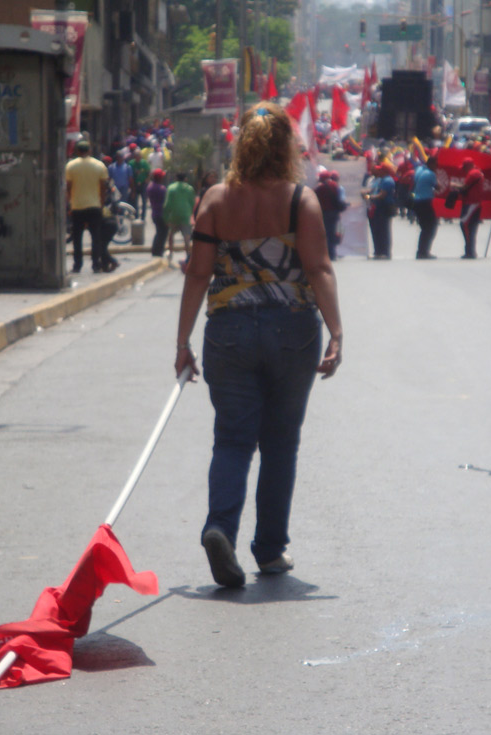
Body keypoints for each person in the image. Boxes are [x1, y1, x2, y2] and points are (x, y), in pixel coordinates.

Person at [173, 100, 343, 588]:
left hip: (228, 331)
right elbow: (319, 269)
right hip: (293, 329)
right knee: (281, 443)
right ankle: (270, 550)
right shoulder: (300, 200)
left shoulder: (215, 200)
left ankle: (219, 527)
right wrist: (337, 331)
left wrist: (183, 340)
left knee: (231, 438)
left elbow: (199, 274)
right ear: (285, 146)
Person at [65, 139, 115, 273]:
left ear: (77, 151)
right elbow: (103, 188)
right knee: (96, 238)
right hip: (94, 206)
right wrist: (101, 204)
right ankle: (95, 264)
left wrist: (70, 204)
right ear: (89, 151)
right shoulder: (99, 165)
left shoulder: (70, 166)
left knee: (77, 239)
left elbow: (68, 188)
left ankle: (77, 265)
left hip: (77, 207)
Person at [163, 171, 196, 265]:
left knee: (171, 235)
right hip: (185, 215)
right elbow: (192, 202)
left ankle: (170, 253)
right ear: (185, 179)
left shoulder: (171, 188)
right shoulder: (190, 188)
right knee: (186, 238)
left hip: (174, 215)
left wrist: (166, 217)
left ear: (176, 178)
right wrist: (189, 212)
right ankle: (188, 256)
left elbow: (167, 204)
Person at [363, 163, 395, 259]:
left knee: (383, 230)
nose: (378, 171)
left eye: (380, 170)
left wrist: (369, 197)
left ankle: (384, 252)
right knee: (377, 230)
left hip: (384, 206)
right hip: (378, 207)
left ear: (384, 171)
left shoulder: (387, 181)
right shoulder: (381, 180)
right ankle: (378, 251)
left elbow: (382, 195)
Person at [314, 170, 347, 261]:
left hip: (324, 213)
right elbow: (340, 198)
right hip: (334, 213)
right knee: (332, 233)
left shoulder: (319, 188)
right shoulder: (335, 186)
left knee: (325, 234)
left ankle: (327, 253)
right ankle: (332, 253)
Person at [412, 155, 439, 259]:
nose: (437, 167)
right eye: (436, 165)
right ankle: (424, 252)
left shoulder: (419, 169)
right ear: (432, 164)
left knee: (424, 228)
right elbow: (438, 187)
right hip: (425, 202)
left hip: (417, 201)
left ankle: (421, 251)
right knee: (430, 228)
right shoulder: (431, 174)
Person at [457, 157, 484, 259]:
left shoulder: (473, 174)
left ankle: (470, 251)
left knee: (466, 225)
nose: (463, 170)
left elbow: (464, 187)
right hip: (472, 203)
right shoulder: (476, 172)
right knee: (469, 227)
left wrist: (454, 185)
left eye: (464, 167)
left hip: (472, 203)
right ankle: (469, 251)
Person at [146, 168, 168, 257]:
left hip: (154, 213)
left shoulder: (150, 187)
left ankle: (155, 250)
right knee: (163, 233)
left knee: (159, 232)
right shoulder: (162, 189)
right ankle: (159, 251)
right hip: (162, 213)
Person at [129, 148, 150, 219]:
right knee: (135, 201)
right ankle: (136, 215)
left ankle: (143, 216)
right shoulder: (131, 163)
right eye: (136, 156)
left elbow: (148, 173)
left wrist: (147, 180)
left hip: (143, 184)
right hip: (135, 184)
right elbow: (130, 175)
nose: (137, 158)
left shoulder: (144, 163)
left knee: (144, 201)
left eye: (138, 156)